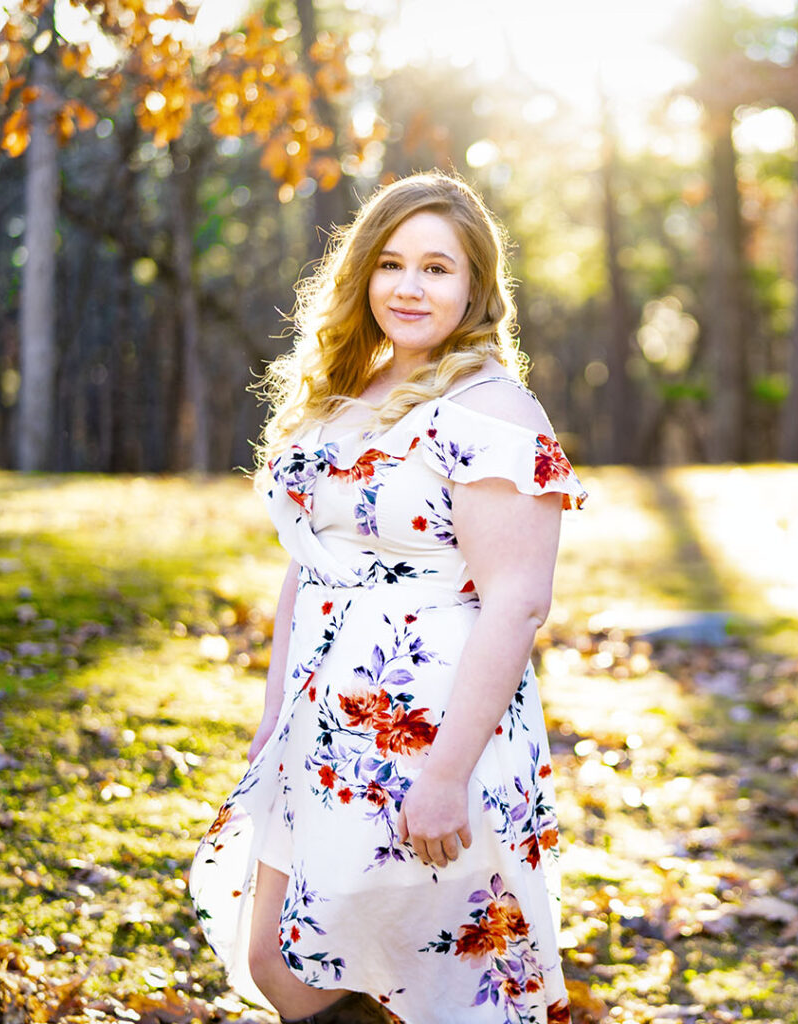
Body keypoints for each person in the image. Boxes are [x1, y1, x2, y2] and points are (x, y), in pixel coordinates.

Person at [189, 171, 586, 1024]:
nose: (410, 287)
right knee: (280, 956)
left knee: (426, 973)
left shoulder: (493, 413)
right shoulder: (344, 394)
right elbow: (308, 566)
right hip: (322, 717)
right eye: (392, 263)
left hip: (432, 723)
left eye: (438, 269)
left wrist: (444, 775)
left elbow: (517, 603)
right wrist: (274, 714)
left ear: (477, 286)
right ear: (362, 274)